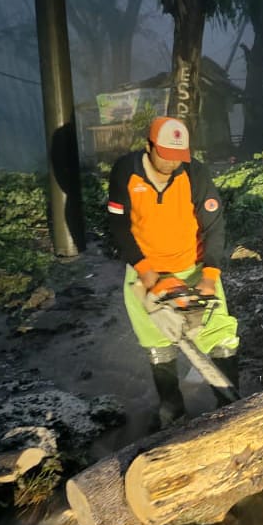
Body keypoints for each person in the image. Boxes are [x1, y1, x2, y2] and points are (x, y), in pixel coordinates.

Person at [107, 116, 240, 429]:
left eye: (178, 157)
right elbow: (118, 225)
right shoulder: (126, 171)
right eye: (164, 154)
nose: (171, 163)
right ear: (149, 146)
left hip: (192, 267)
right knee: (158, 343)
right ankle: (172, 412)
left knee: (222, 335)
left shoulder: (195, 172)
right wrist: (147, 273)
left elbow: (214, 226)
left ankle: (232, 407)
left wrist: (209, 277)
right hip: (146, 270)